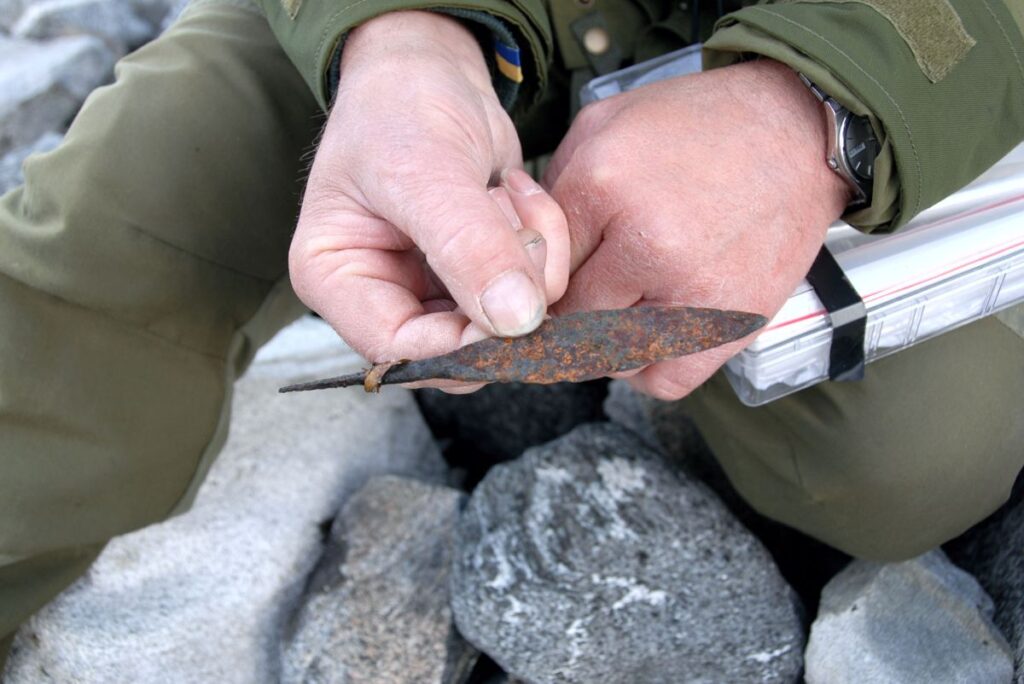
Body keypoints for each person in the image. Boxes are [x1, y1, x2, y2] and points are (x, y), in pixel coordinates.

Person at [2, 0, 1022, 668]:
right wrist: (394, 37)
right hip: (450, 43)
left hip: (869, 38)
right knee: (114, 238)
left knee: (907, 459)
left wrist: (823, 110)